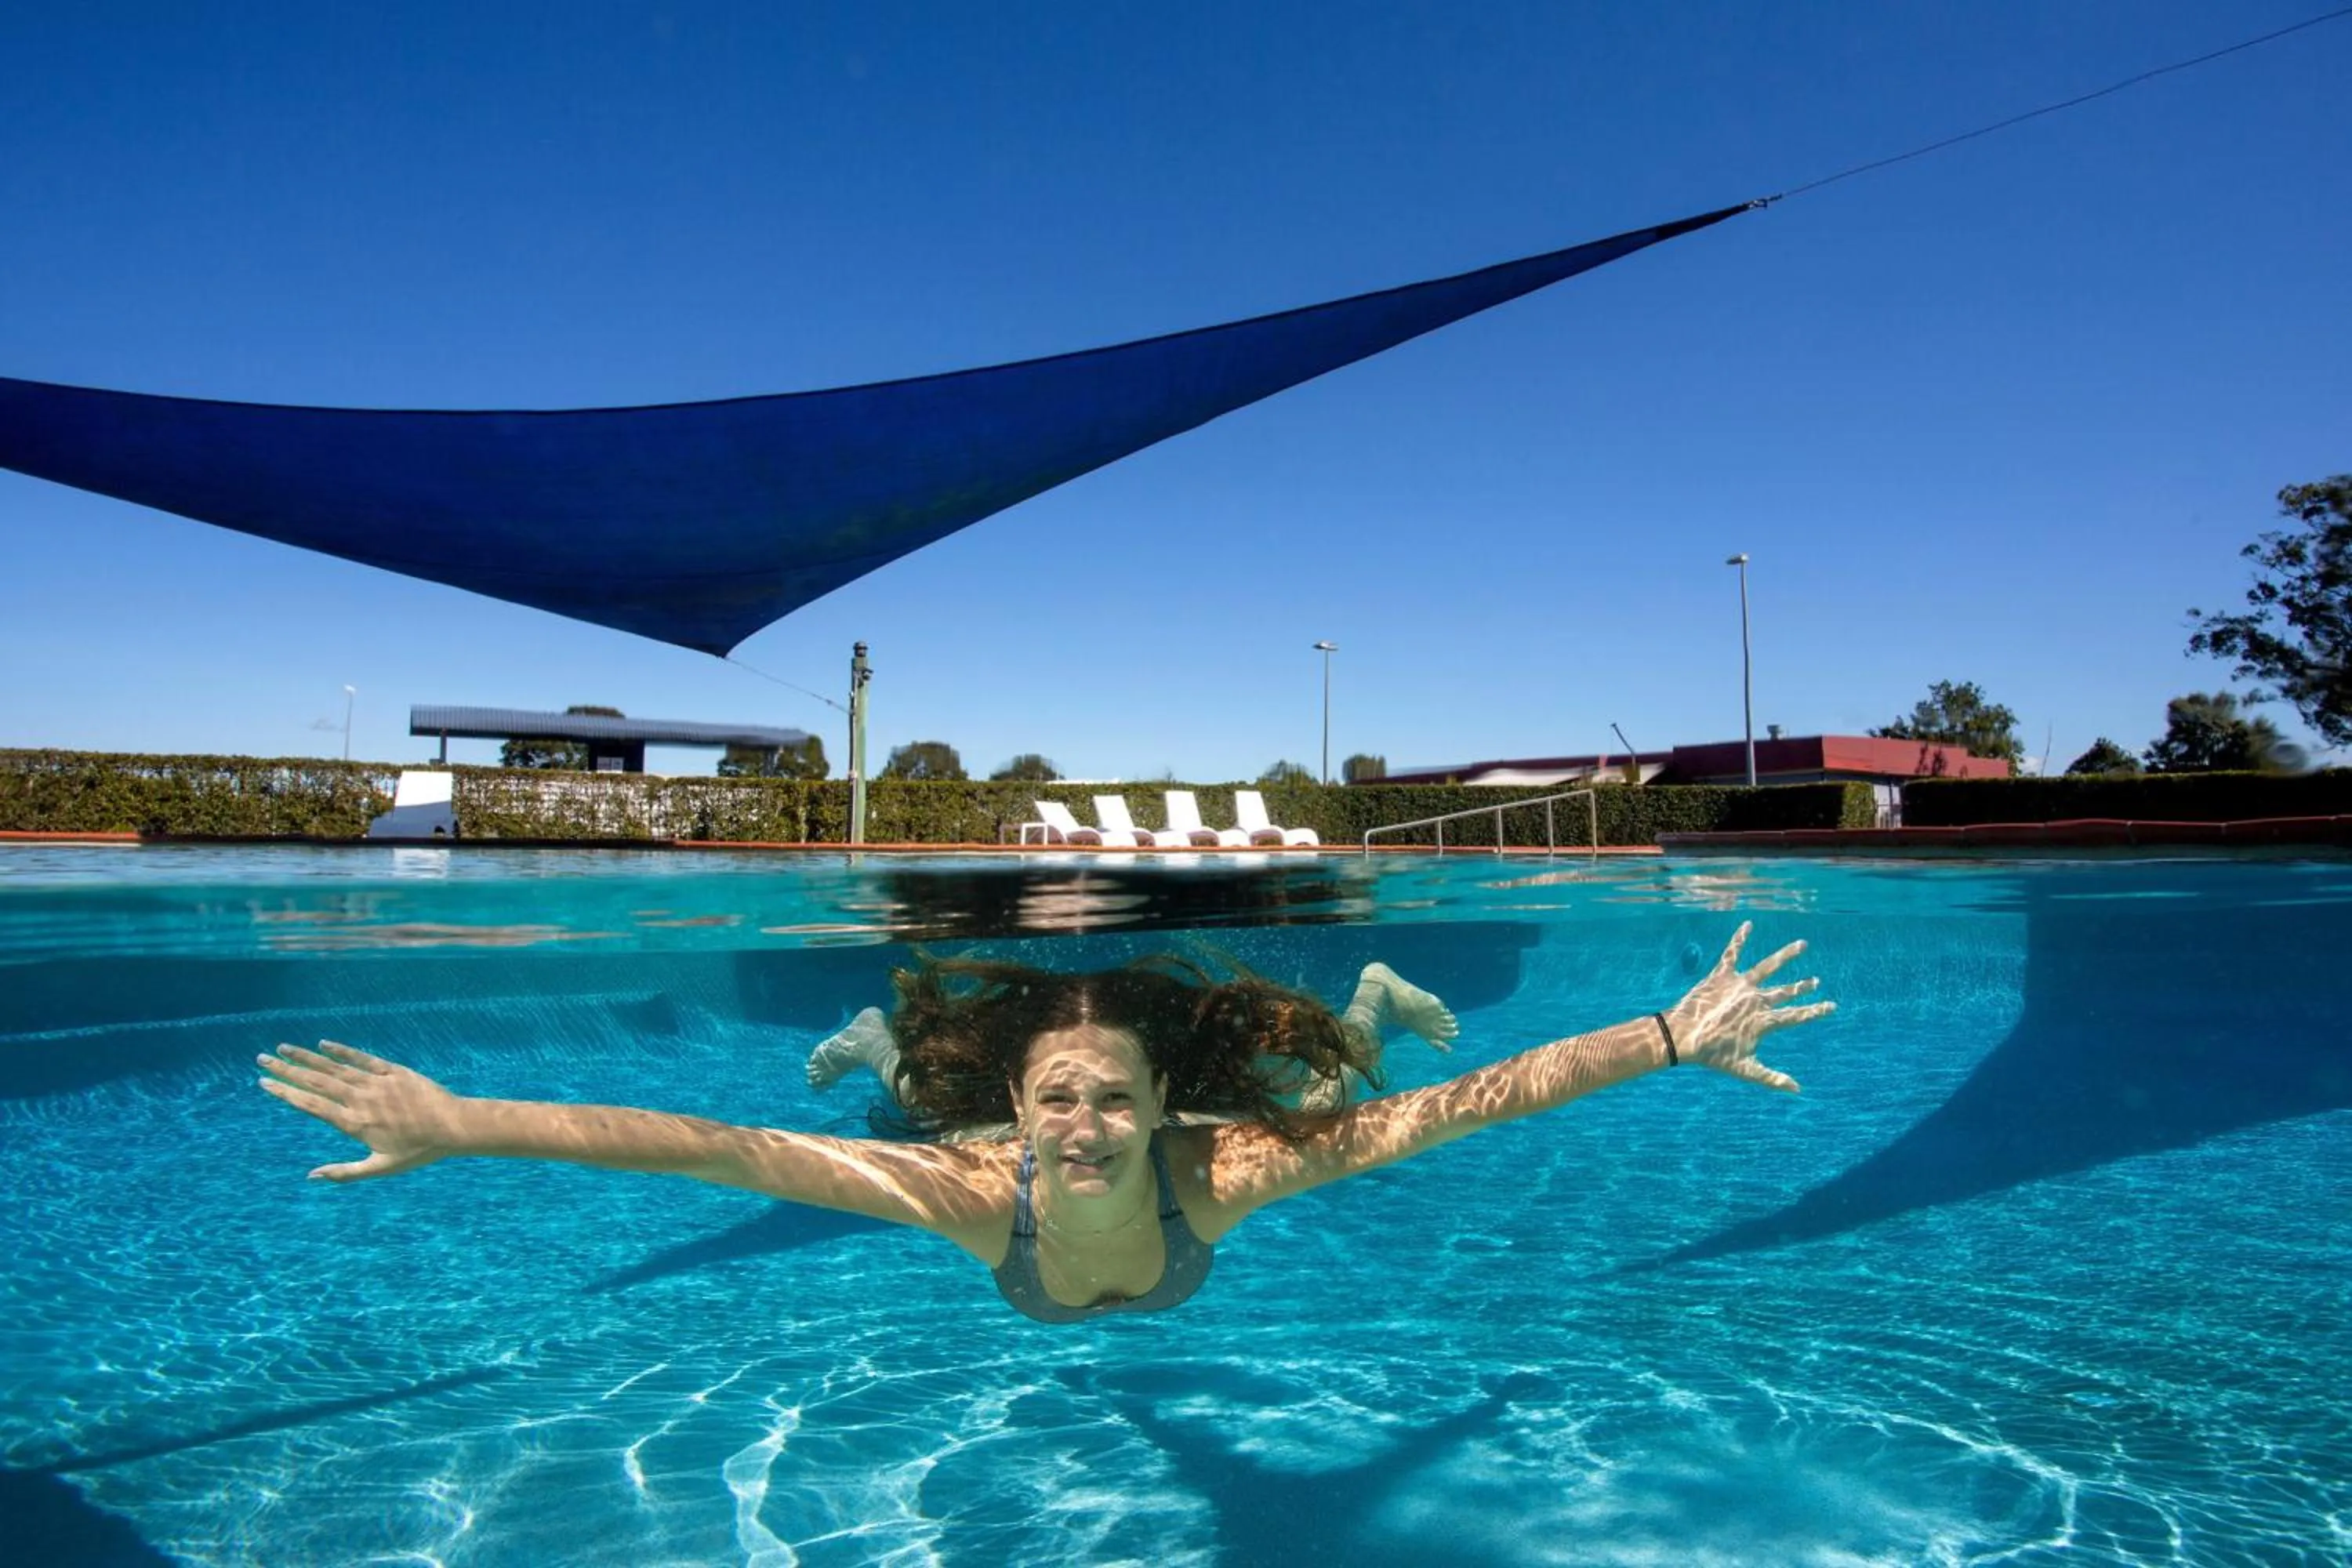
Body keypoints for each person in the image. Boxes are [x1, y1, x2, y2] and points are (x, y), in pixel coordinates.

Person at [257, 922, 1830, 1324]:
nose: (1082, 1127)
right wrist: (466, 1117)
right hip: (986, 1173)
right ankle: (891, 1041)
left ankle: (1364, 988)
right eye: (1057, 1099)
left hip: (1211, 1158)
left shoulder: (1214, 1173)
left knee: (1337, 1083)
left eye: (1113, 1100)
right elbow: (717, 1148)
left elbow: (1452, 1110)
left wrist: (1665, 1036)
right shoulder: (971, 1188)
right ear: (1017, 1114)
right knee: (896, 1110)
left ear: (1159, 1114)